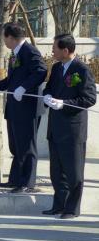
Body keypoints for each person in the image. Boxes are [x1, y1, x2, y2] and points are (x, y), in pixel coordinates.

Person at [0, 23, 47, 193]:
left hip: (27, 107)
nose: (3, 40)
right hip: (15, 106)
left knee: (26, 145)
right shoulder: (15, 53)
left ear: (11, 37)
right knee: (16, 145)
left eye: (4, 36)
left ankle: (27, 182)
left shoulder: (29, 51)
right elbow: (12, 79)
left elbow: (40, 71)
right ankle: (15, 179)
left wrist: (24, 87)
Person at [42, 34, 96, 219]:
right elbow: (49, 87)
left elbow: (89, 98)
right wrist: (47, 96)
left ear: (66, 50)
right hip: (55, 127)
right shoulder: (57, 67)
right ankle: (59, 205)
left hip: (72, 129)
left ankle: (72, 209)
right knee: (56, 171)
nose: (52, 50)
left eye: (55, 47)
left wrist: (64, 103)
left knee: (73, 172)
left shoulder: (82, 70)